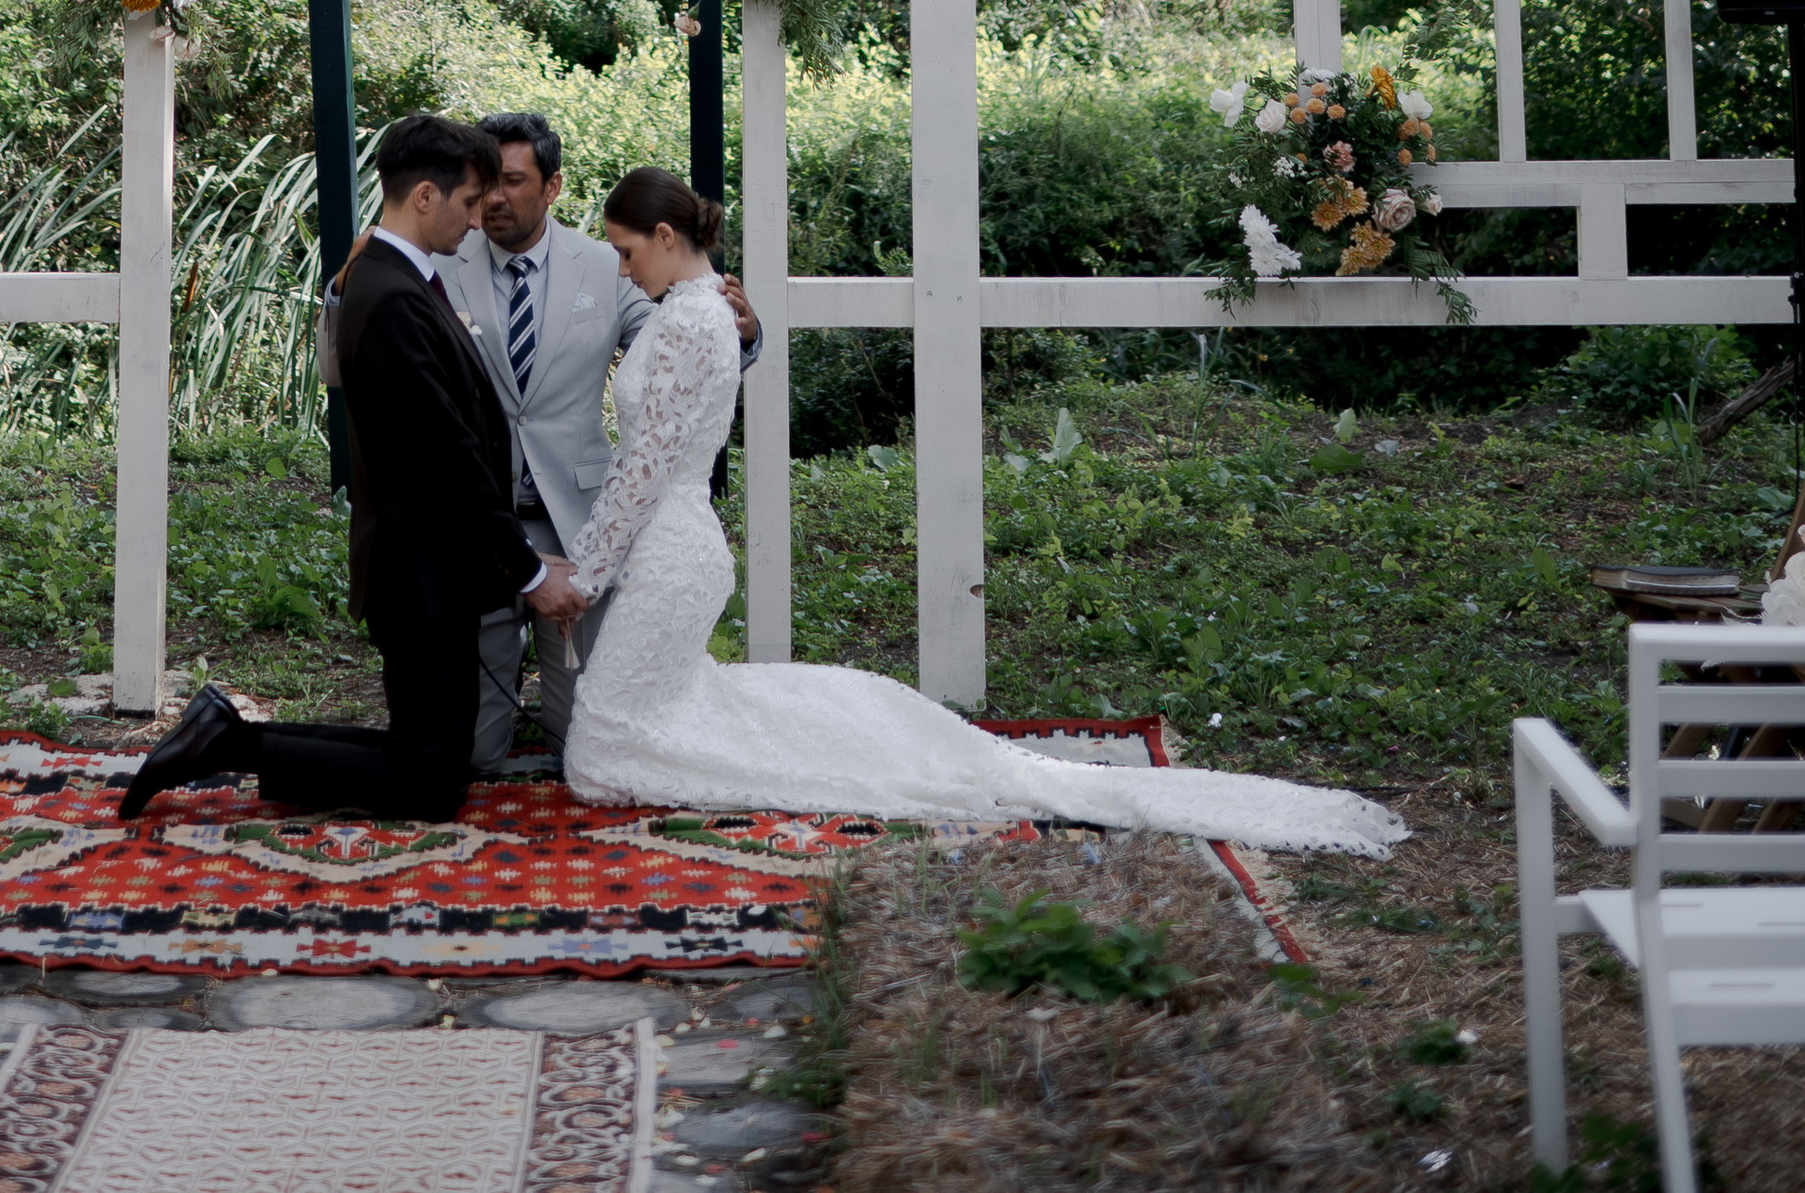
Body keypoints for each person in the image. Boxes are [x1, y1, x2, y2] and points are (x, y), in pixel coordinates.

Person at [556, 165, 1405, 859]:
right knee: (648, 726)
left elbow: (641, 468)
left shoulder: (687, 323)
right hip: (679, 544)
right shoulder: (697, 313)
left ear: (667, 237)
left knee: (599, 757)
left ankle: (842, 750)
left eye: (629, 251)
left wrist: (583, 574)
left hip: (671, 549)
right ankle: (828, 730)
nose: (623, 268)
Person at [115, 115, 583, 828]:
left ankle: (226, 733)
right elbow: (446, 457)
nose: (475, 218)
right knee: (429, 781)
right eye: (466, 201)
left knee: (429, 759)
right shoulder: (391, 294)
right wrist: (525, 571)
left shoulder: (396, 277)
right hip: (419, 569)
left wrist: (514, 560)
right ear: (425, 196)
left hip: (435, 563)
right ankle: (228, 741)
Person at [446, 109, 760, 771]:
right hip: (477, 527)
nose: (495, 197)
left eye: (511, 179)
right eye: (483, 182)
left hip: (576, 519)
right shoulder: (442, 264)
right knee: (468, 751)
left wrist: (744, 334)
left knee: (579, 741)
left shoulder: (605, 266)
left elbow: (682, 344)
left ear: (552, 184)